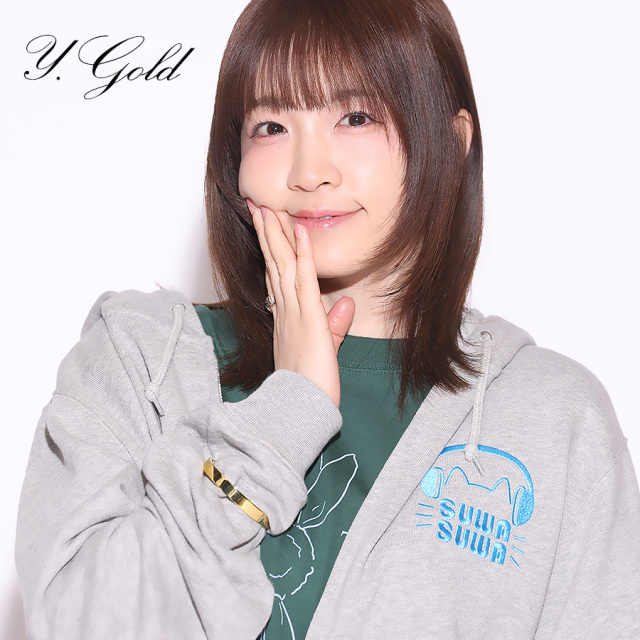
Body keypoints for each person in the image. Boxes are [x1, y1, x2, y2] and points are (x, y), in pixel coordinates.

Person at [15, 0, 640, 638]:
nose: (309, 172)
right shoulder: (143, 360)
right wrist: (283, 417)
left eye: (356, 117)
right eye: (270, 127)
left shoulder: (555, 418)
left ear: (451, 145)